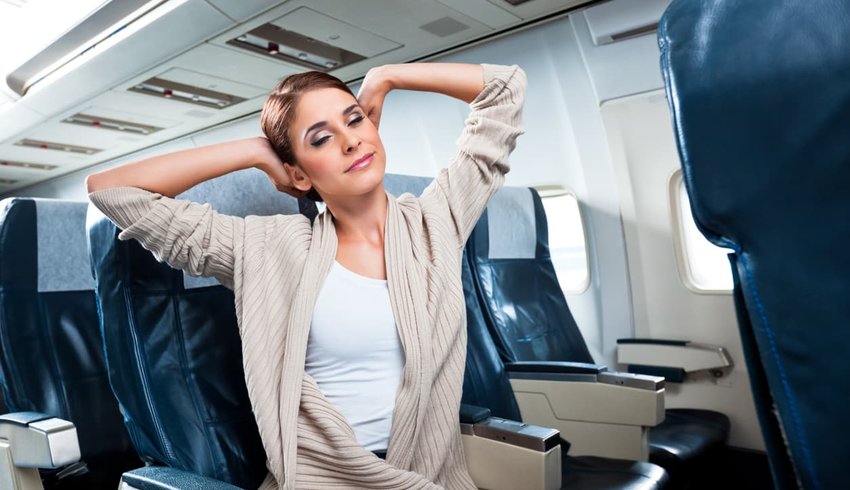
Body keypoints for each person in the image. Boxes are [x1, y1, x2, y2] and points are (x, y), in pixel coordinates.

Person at [86, 61, 526, 489]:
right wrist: (254, 151)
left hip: (428, 474)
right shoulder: (267, 248)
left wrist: (387, 76)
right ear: (297, 173)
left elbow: (504, 90)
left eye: (355, 120)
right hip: (326, 478)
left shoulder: (437, 221)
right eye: (320, 140)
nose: (350, 141)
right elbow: (111, 191)